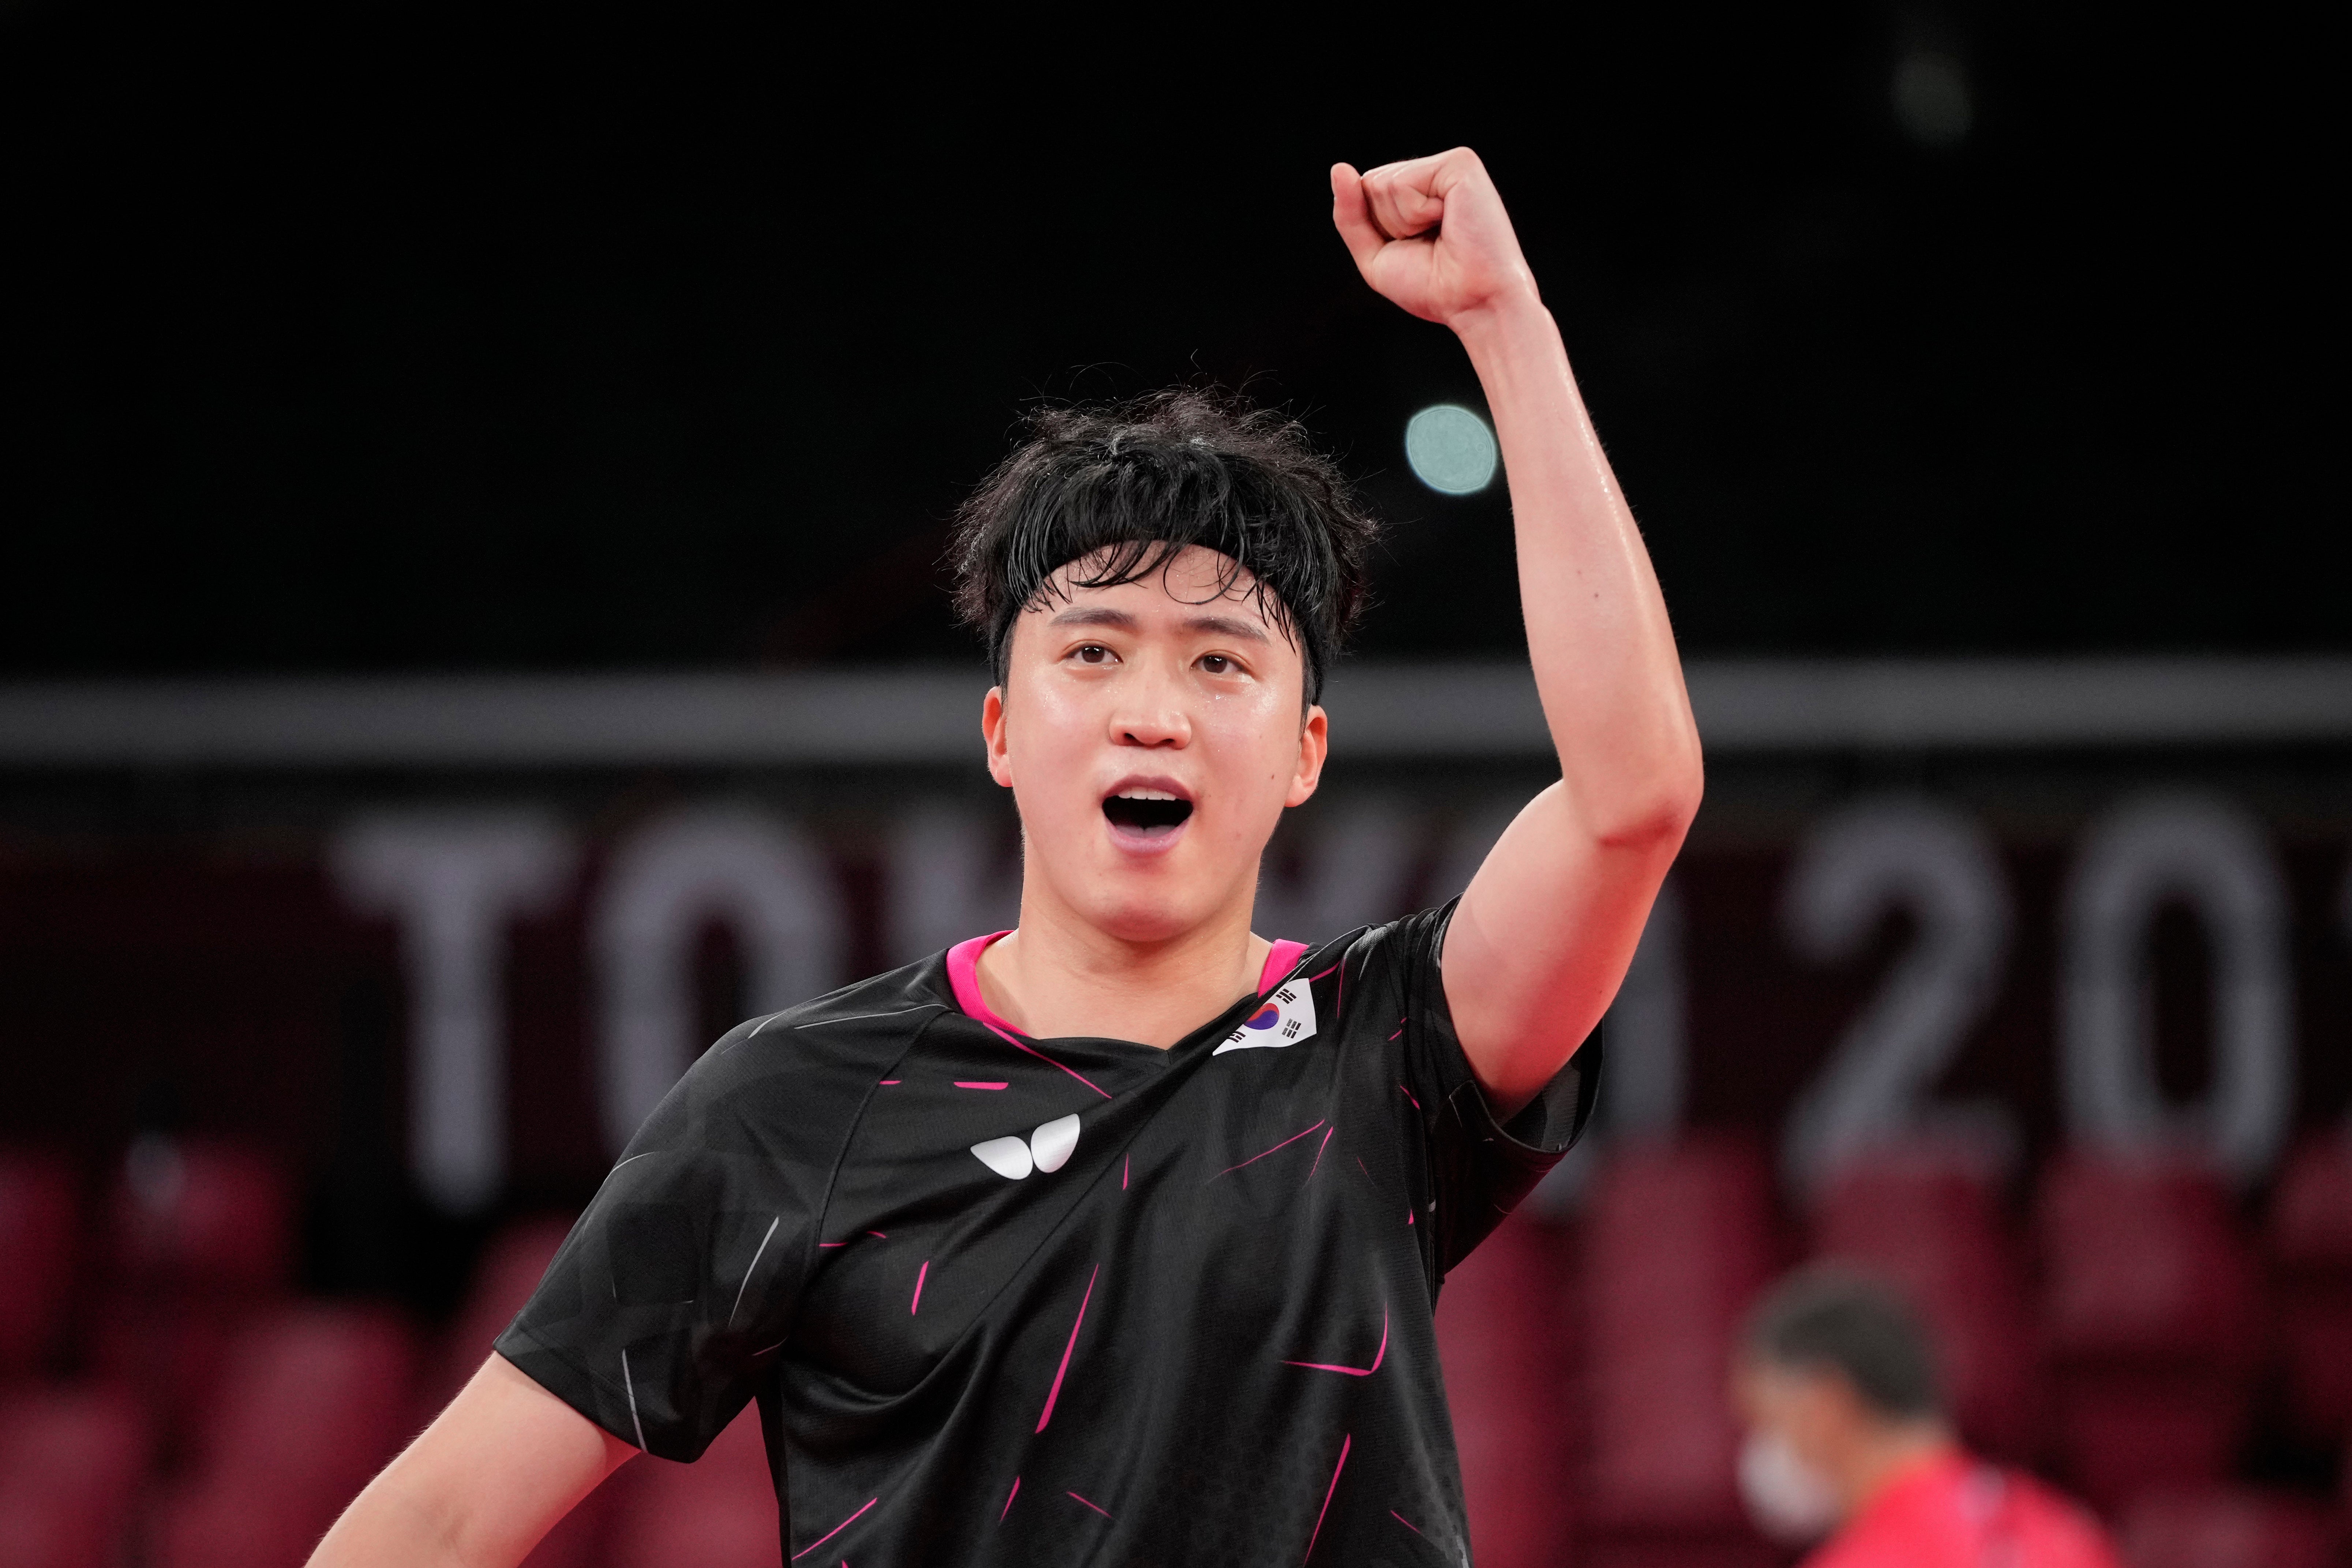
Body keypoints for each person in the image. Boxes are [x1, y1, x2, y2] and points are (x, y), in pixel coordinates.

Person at [311, 147, 1702, 1567]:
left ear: (1303, 752)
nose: (1150, 711)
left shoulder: (1390, 1050)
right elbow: (431, 1519)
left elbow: (1631, 799)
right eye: (1091, 653)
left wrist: (1503, 326)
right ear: (1000, 732)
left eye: (1221, 663)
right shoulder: (789, 1105)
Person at [1734, 1266, 2123, 1568]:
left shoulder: (1863, 1561)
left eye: (1765, 1419)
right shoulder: (2067, 1530)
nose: (1759, 1449)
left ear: (1824, 1404)